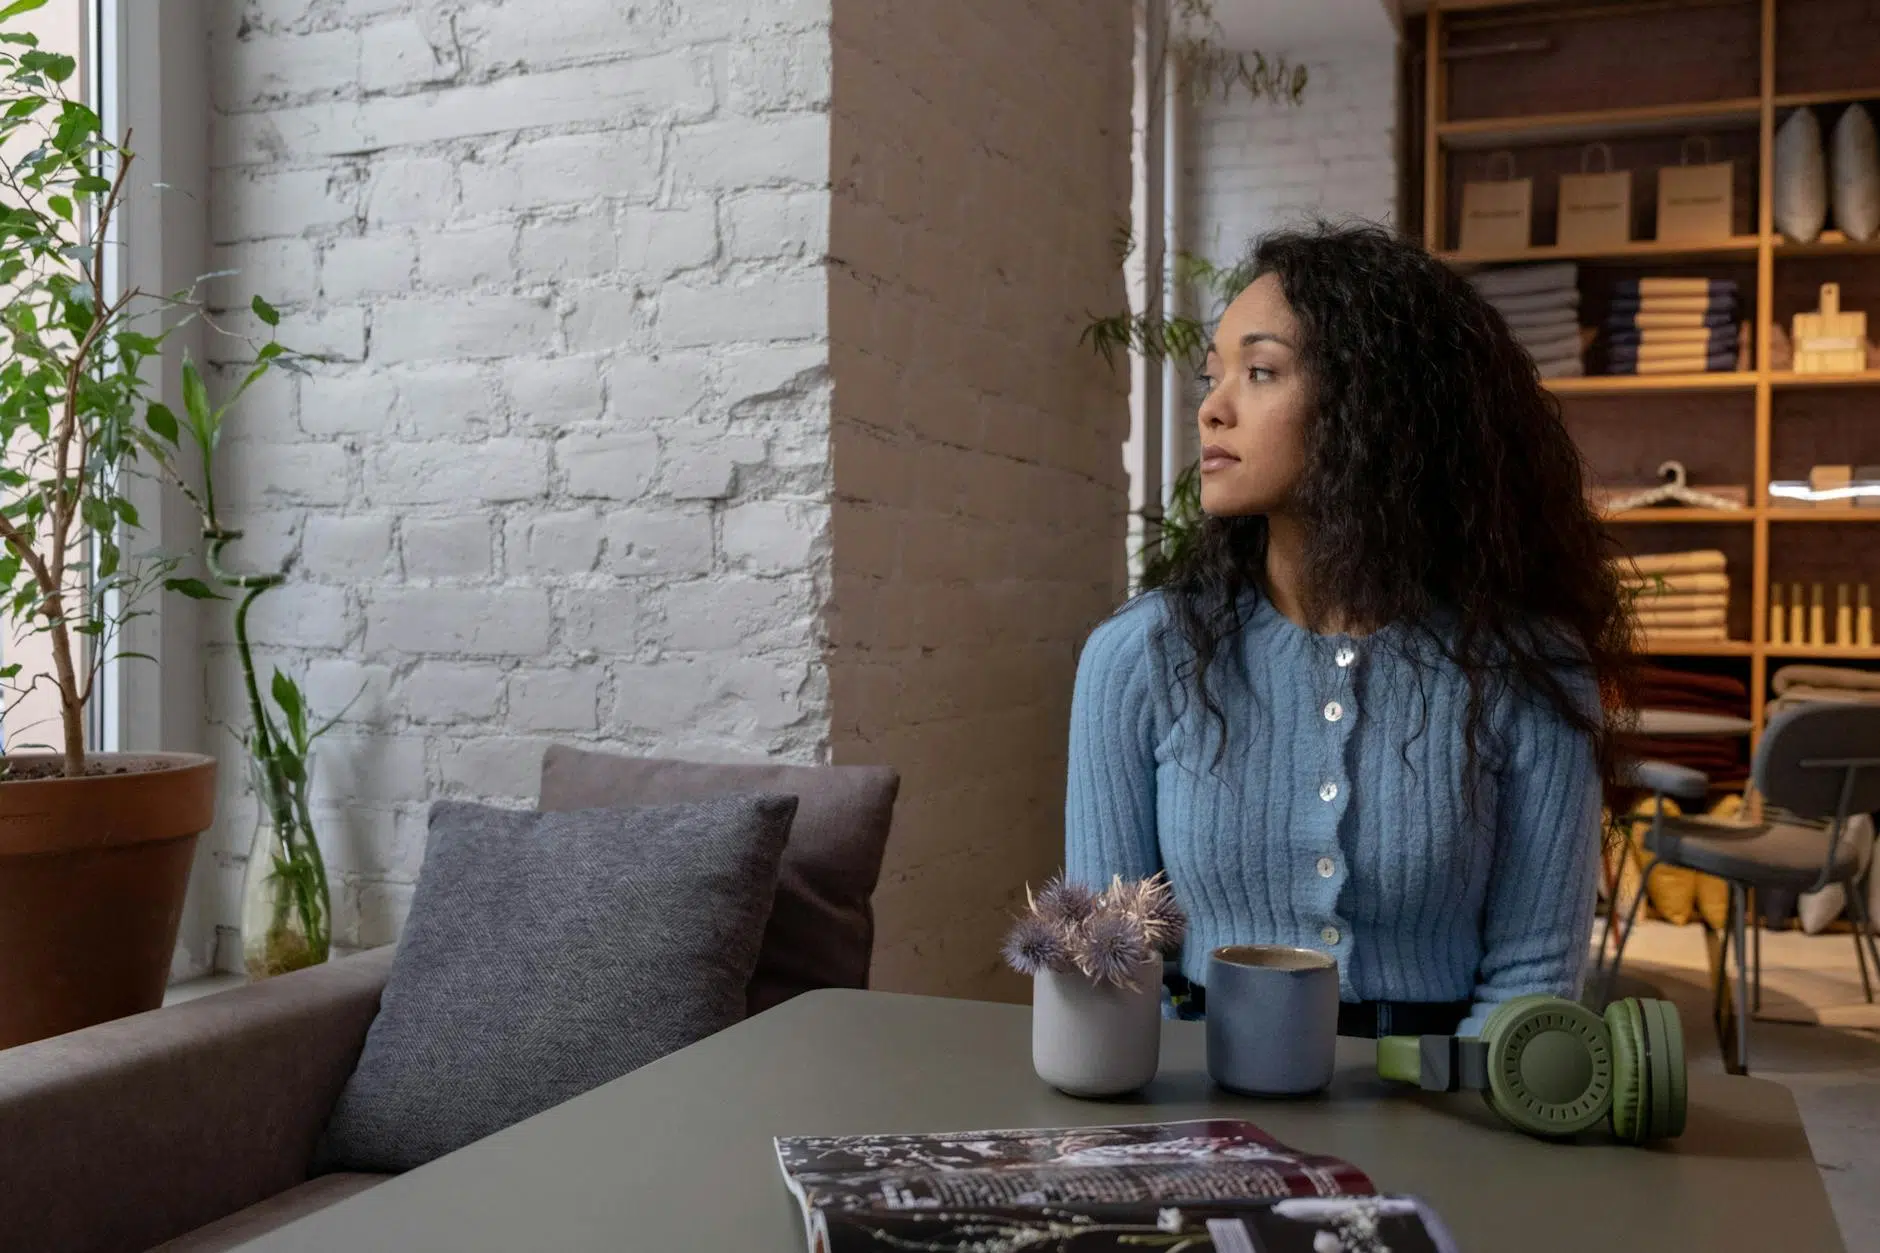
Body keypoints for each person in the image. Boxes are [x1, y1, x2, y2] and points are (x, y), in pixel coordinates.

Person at [1065, 223, 1634, 1038]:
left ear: (1375, 404)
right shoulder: (1140, 656)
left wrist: (1445, 1101)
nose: (1213, 408)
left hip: (1444, 1090)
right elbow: (1111, 966)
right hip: (1197, 1090)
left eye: (1261, 372)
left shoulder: (1528, 665)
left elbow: (1533, 979)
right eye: (1213, 376)